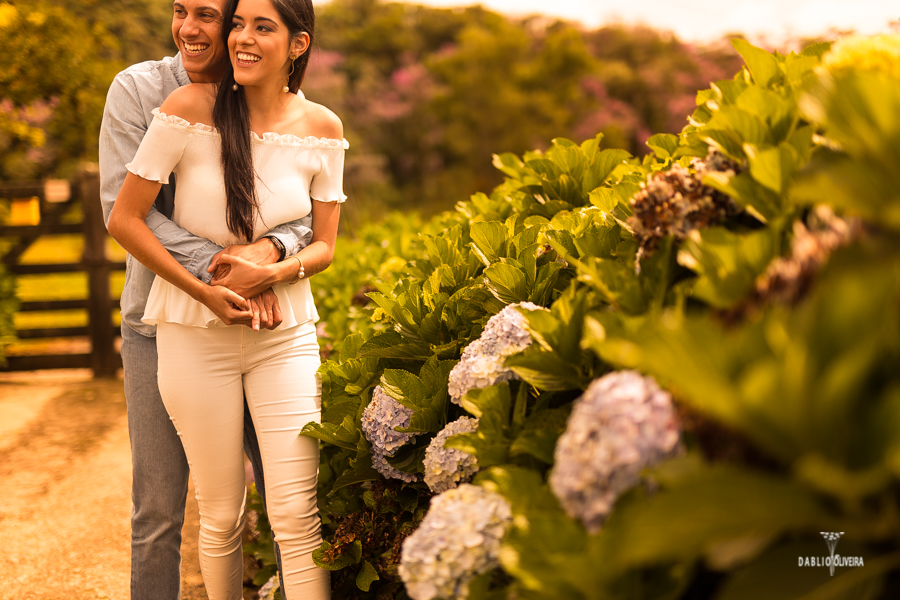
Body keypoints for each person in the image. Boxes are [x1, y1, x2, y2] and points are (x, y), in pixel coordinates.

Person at [107, 0, 341, 596]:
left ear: (297, 43)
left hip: (278, 333)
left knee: (294, 513)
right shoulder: (161, 98)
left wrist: (271, 265)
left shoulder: (320, 125)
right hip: (175, 326)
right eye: (236, 23)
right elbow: (126, 214)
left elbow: (318, 233)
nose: (197, 29)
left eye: (218, 16)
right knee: (191, 513)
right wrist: (216, 283)